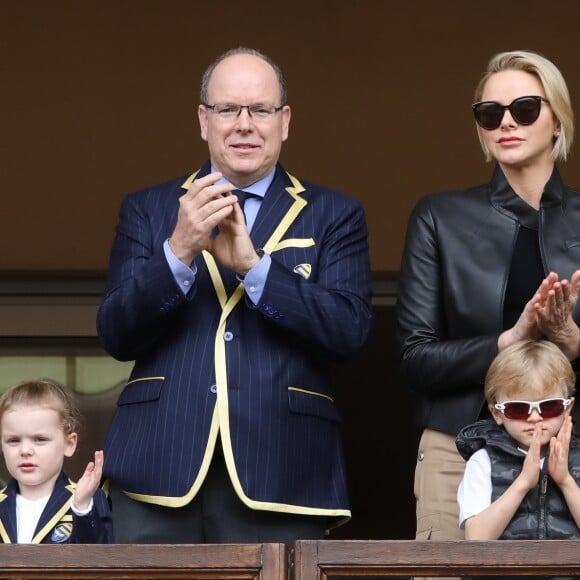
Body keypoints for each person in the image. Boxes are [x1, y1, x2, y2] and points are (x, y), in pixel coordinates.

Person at [97, 46, 373, 544]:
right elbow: (116, 332)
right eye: (228, 109)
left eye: (260, 110)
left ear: (284, 121)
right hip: (159, 470)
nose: (244, 124)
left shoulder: (336, 213)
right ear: (204, 120)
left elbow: (349, 331)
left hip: (283, 469)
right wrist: (178, 251)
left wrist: (255, 268)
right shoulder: (149, 208)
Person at [395, 48, 580, 550]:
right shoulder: (440, 217)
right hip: (457, 447)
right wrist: (508, 341)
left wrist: (573, 340)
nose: (506, 123)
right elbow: (415, 359)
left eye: (524, 109)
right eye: (489, 113)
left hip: (574, 452)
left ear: (557, 121)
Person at [457, 339, 579, 540]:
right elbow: (476, 539)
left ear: (567, 408)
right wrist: (522, 482)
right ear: (497, 413)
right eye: (518, 408)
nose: (534, 417)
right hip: (504, 571)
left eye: (549, 406)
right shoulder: (483, 461)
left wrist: (566, 481)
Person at [0, 380, 113, 544]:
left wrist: (82, 509)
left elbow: (102, 556)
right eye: (13, 440)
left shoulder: (88, 499)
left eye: (40, 439)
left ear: (69, 444)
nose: (25, 451)